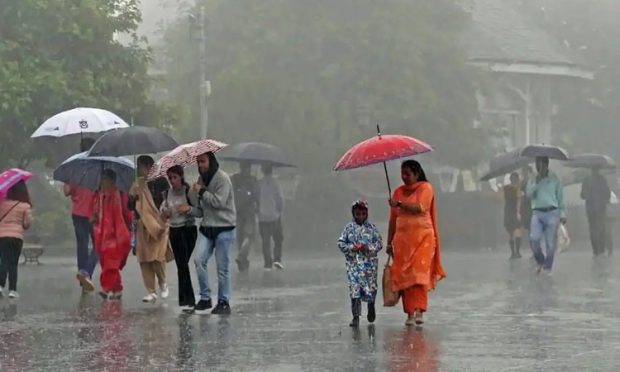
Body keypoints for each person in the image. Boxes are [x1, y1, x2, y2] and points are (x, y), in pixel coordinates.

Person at [387, 160, 446, 326]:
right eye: (402, 173)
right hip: (403, 241)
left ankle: (419, 310)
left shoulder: (426, 188)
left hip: (423, 239)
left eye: (408, 173)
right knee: (405, 277)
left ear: (417, 173)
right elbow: (393, 220)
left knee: (418, 275)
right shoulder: (397, 192)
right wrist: (389, 242)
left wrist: (398, 204)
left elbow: (420, 207)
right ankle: (410, 313)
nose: (404, 177)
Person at [185, 152, 236, 315]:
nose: (201, 165)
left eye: (203, 161)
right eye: (198, 162)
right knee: (199, 260)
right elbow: (201, 211)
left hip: (224, 227)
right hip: (207, 228)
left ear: (211, 161)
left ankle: (223, 301)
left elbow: (218, 202)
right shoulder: (201, 181)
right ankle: (205, 298)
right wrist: (190, 207)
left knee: (222, 267)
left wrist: (201, 192)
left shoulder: (223, 179)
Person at [129, 155, 170, 303]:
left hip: (159, 223)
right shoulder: (137, 184)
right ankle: (151, 290)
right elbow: (131, 207)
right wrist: (133, 196)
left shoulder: (162, 181)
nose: (138, 170)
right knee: (145, 259)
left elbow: (167, 201)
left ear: (147, 167)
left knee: (158, 256)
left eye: (140, 167)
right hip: (142, 225)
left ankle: (163, 283)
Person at [337, 200, 383, 327]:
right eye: (357, 214)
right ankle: (355, 316)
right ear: (353, 213)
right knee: (354, 289)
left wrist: (367, 248)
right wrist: (352, 248)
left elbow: (379, 244)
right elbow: (340, 243)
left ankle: (371, 306)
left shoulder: (372, 229)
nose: (360, 217)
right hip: (354, 265)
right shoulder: (348, 228)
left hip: (370, 265)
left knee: (371, 287)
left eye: (363, 213)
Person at [91, 170, 132, 300]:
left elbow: (127, 213)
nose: (103, 181)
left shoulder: (120, 195)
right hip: (101, 235)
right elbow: (93, 213)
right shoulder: (98, 196)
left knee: (111, 263)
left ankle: (106, 288)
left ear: (112, 180)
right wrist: (92, 218)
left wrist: (130, 227)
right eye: (102, 178)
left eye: (105, 179)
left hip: (116, 235)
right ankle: (117, 288)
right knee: (106, 262)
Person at [161, 165, 197, 311]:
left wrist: (188, 209)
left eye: (175, 177)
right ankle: (187, 300)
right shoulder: (166, 194)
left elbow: (199, 211)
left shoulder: (189, 192)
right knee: (181, 266)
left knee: (183, 265)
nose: (172, 181)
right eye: (170, 178)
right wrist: (165, 212)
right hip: (174, 231)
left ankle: (188, 300)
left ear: (181, 177)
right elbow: (162, 214)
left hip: (188, 230)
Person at [65, 137, 98, 292]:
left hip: (77, 212)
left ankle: (83, 279)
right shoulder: (98, 167)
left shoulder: (74, 168)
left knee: (82, 246)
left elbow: (66, 191)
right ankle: (86, 272)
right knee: (99, 245)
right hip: (94, 213)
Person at [526, 157, 565, 275]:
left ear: (546, 165)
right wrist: (537, 182)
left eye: (541, 164)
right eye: (537, 165)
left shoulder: (554, 178)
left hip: (552, 213)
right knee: (534, 239)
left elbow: (560, 197)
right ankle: (541, 261)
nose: (539, 167)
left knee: (550, 243)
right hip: (537, 213)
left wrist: (562, 213)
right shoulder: (533, 178)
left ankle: (548, 267)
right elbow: (528, 194)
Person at [0, 181, 33, 299]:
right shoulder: (25, 206)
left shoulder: (2, 203)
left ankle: (0, 285)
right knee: (13, 263)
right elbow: (27, 223)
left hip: (2, 236)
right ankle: (12, 290)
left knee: (4, 260)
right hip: (16, 237)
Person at [231, 161, 259, 272]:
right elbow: (256, 195)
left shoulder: (234, 178)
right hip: (249, 211)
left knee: (240, 236)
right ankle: (242, 256)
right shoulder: (252, 179)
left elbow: (231, 194)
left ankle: (243, 263)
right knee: (250, 235)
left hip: (237, 211)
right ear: (249, 168)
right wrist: (258, 206)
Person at [258, 164, 285, 270]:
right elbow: (280, 199)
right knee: (278, 239)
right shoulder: (275, 183)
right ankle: (277, 259)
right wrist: (280, 210)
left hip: (262, 217)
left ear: (262, 170)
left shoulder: (258, 183)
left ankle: (267, 263)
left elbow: (255, 198)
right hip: (274, 216)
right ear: (271, 171)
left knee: (266, 241)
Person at [580, 168, 611, 257]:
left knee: (597, 229)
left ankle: (598, 249)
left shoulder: (600, 180)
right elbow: (582, 195)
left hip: (598, 208)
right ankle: (598, 250)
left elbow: (607, 193)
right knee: (597, 229)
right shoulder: (588, 180)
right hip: (594, 209)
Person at [503, 172, 522, 259]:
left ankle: (513, 253)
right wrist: (518, 212)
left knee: (511, 232)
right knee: (516, 231)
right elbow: (518, 200)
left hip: (508, 211)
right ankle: (516, 252)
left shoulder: (506, 188)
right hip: (513, 211)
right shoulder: (517, 189)